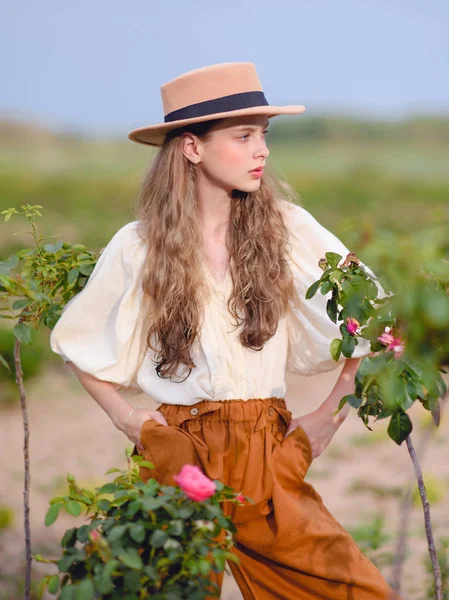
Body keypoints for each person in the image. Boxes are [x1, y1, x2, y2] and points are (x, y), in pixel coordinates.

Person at [49, 62, 401, 599]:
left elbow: (369, 318)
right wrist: (132, 423)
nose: (261, 150)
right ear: (192, 147)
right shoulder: (139, 245)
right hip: (177, 449)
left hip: (269, 447)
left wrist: (329, 416)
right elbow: (78, 344)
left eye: (264, 135)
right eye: (243, 136)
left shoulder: (288, 228)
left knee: (352, 590)